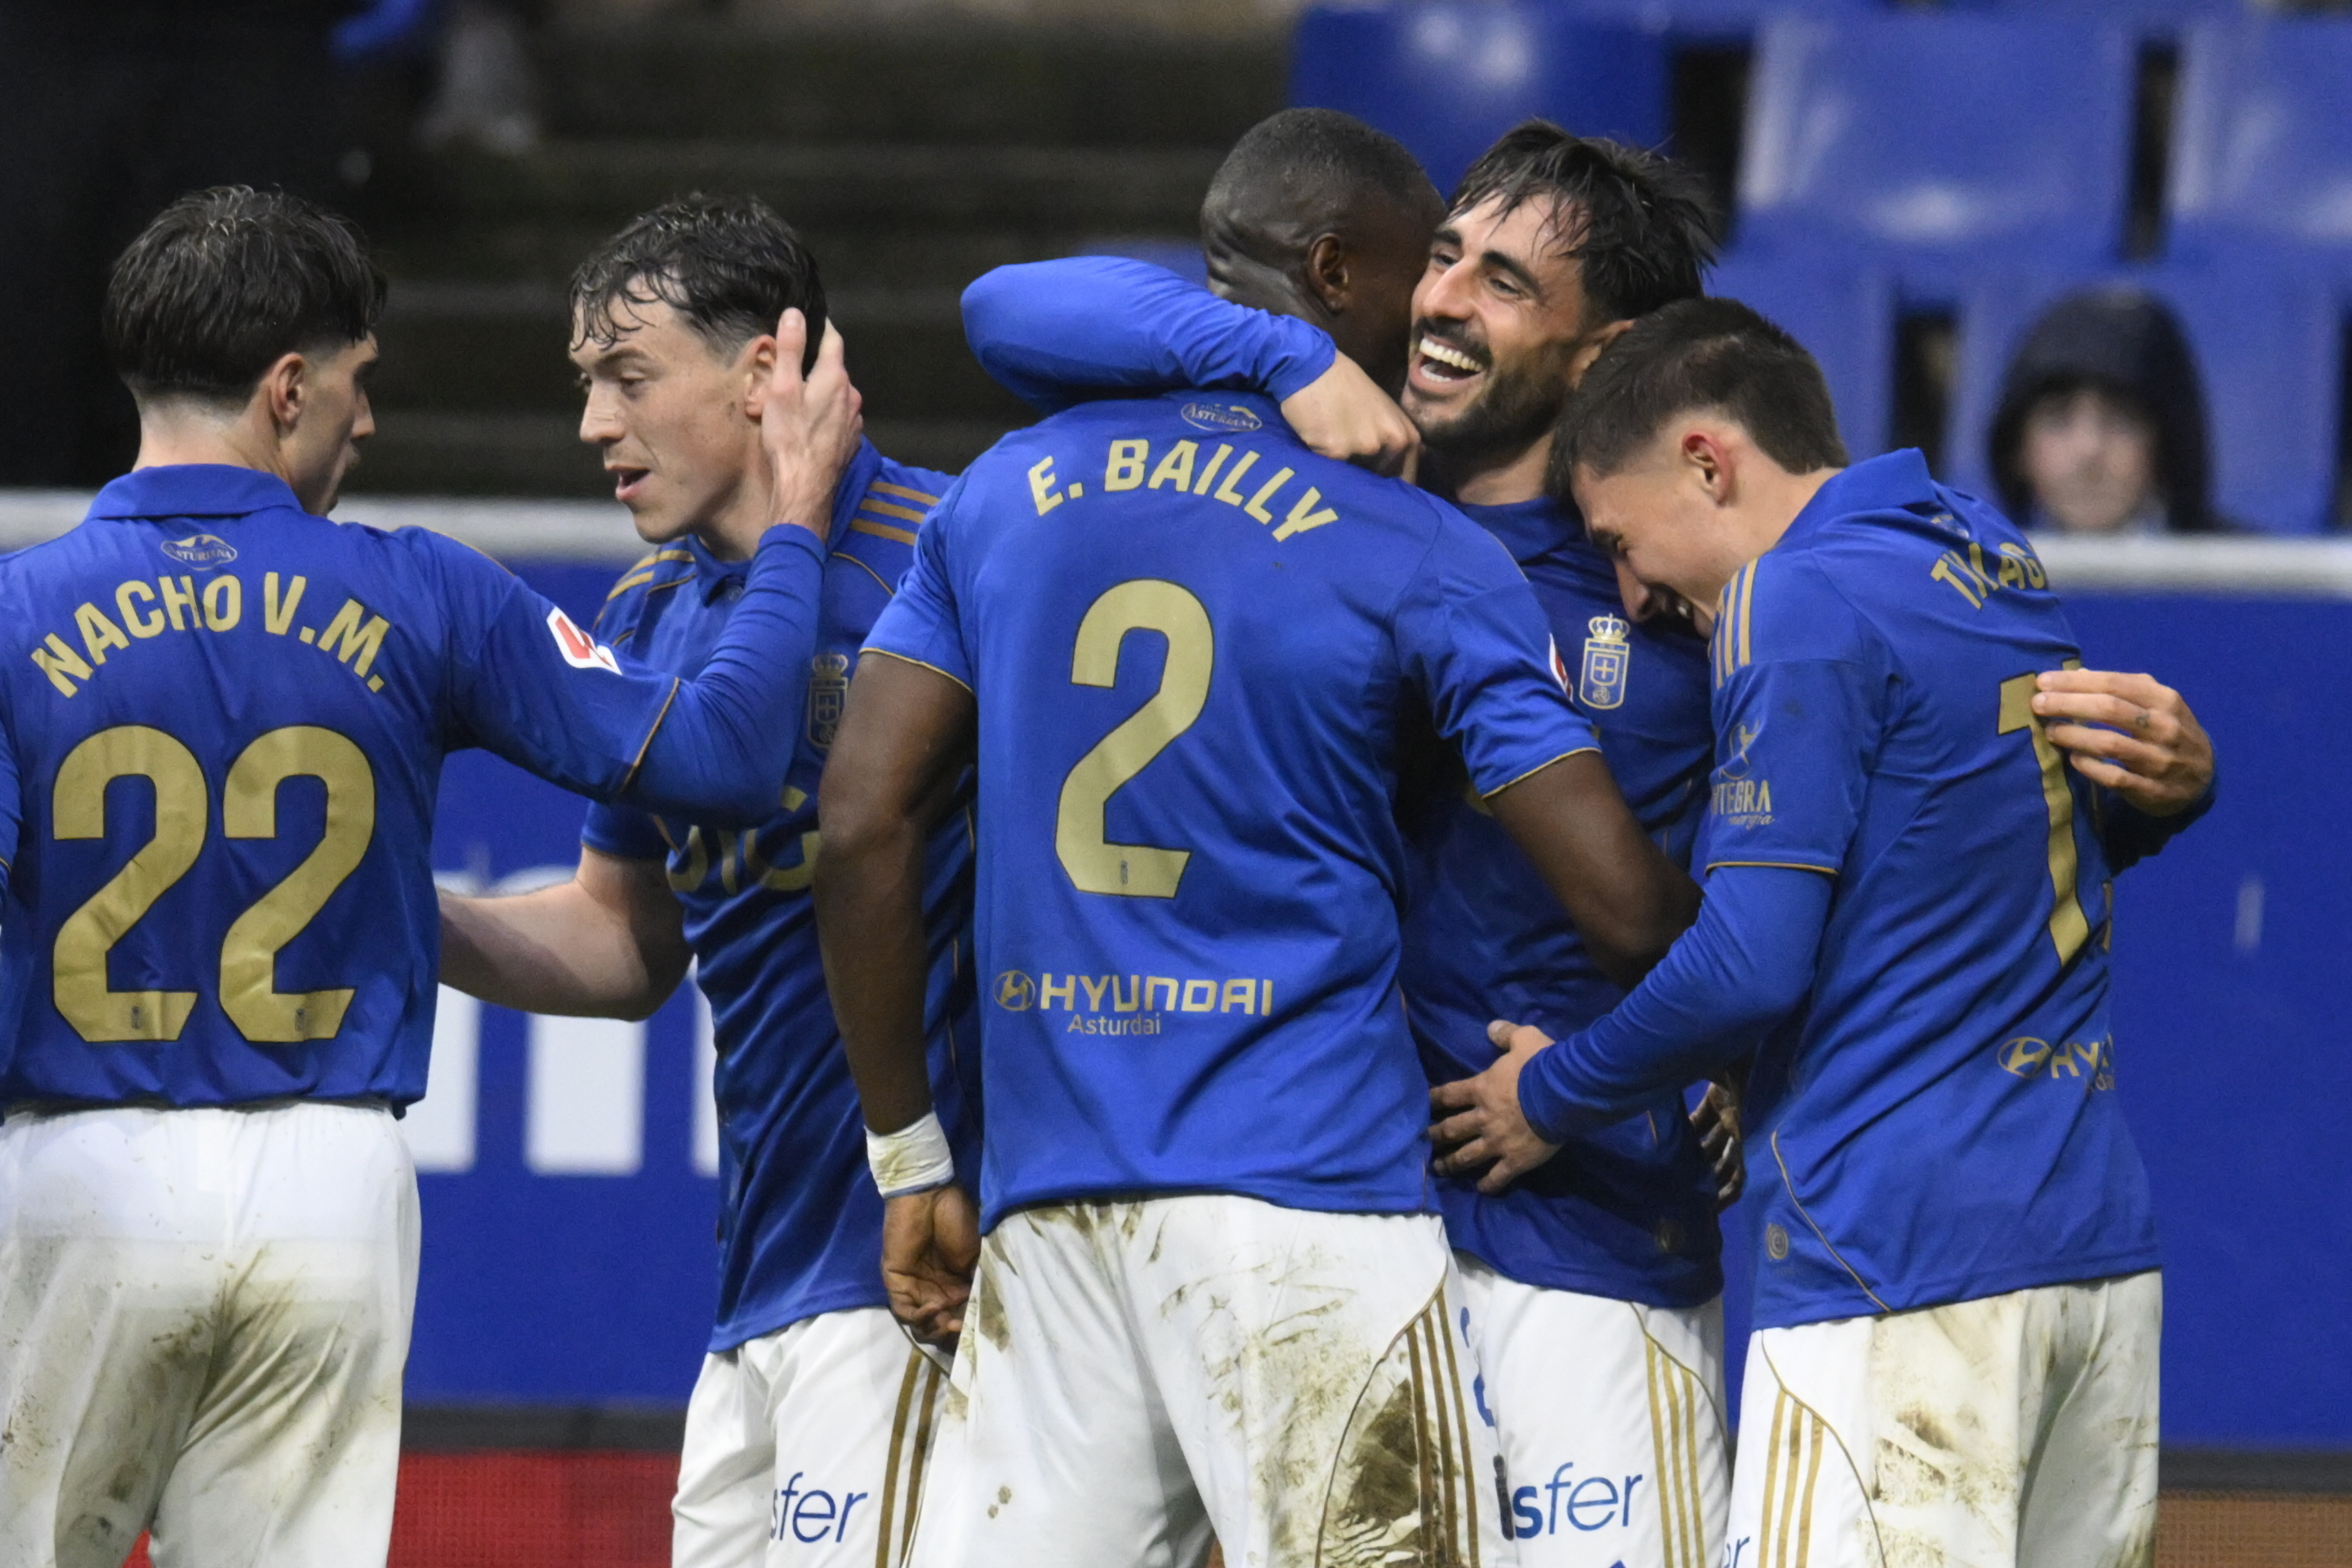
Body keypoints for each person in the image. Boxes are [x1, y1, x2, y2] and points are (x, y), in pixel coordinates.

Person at [959, 111, 2216, 1568]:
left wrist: (2150, 800)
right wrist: (1284, 353)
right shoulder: (1339, 505)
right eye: (1441, 256)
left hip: (1588, 1253)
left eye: (1501, 281)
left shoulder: (1707, 603)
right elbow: (1015, 309)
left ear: (1606, 348)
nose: (1438, 300)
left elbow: (1910, 866)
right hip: (1333, 1231)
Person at [0, 186, 858, 1568]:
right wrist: (801, 527)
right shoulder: (422, 592)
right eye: (357, 383)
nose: (368, 420)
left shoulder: (12, 616)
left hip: (70, 1172)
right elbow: (725, 754)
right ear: (290, 387)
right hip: (329, 1186)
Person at [813, 374, 1702, 1559]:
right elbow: (1629, 912)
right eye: (1428, 260)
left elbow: (863, 821)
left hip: (1055, 1207)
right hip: (1307, 1205)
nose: (1440, 306)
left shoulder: (1006, 491)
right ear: (1341, 279)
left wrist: (913, 1154)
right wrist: (1736, 991)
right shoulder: (1411, 535)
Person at [1433, 297, 2212, 1568]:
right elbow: (1982, 852)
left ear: (1707, 460)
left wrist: (1549, 1096)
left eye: (1622, 541)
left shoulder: (1784, 601)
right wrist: (2186, 799)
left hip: (1893, 1266)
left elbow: (1747, 962)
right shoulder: (1981, 549)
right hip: (2093, 1265)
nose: (1633, 591)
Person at [434, 194, 979, 1568]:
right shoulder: (648, 614)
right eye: (584, 387)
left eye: (628, 377)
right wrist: (403, 910)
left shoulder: (964, 555)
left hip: (926, 1272)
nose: (593, 426)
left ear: (765, 373)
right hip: (760, 1290)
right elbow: (624, 943)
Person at [1989, 287, 2225, 537]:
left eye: (2121, 420)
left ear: (2167, 447)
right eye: (2057, 420)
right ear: (2016, 452)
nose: (2089, 450)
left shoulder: (2251, 569)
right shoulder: (1968, 568)